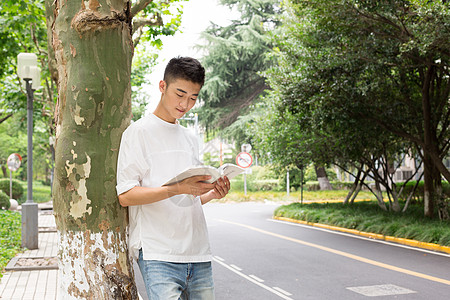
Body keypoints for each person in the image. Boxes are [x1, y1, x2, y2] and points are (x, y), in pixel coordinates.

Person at [116, 56, 230, 300]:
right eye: (180, 94)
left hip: (198, 252)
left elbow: (189, 197)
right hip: (159, 254)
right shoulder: (138, 132)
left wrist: (212, 192)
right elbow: (125, 195)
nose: (185, 104)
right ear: (162, 86)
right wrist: (178, 188)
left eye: (193, 97)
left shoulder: (190, 138)